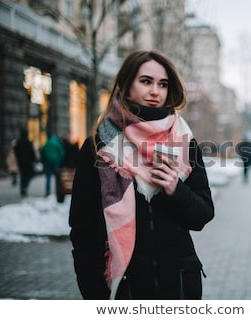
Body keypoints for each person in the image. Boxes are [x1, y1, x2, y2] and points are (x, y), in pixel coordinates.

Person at [69, 50, 214, 300]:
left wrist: (175, 190)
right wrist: (94, 293)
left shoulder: (184, 143)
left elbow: (201, 215)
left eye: (163, 84)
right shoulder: (99, 147)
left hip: (178, 287)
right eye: (146, 81)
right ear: (126, 85)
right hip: (124, 289)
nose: (155, 91)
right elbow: (83, 231)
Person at [14, 129, 36, 197]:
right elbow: (32, 152)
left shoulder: (18, 142)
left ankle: (22, 187)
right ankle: (25, 186)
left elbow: (15, 151)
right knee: (29, 175)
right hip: (28, 162)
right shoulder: (28, 142)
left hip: (20, 162)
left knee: (22, 175)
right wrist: (33, 159)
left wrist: (18, 158)